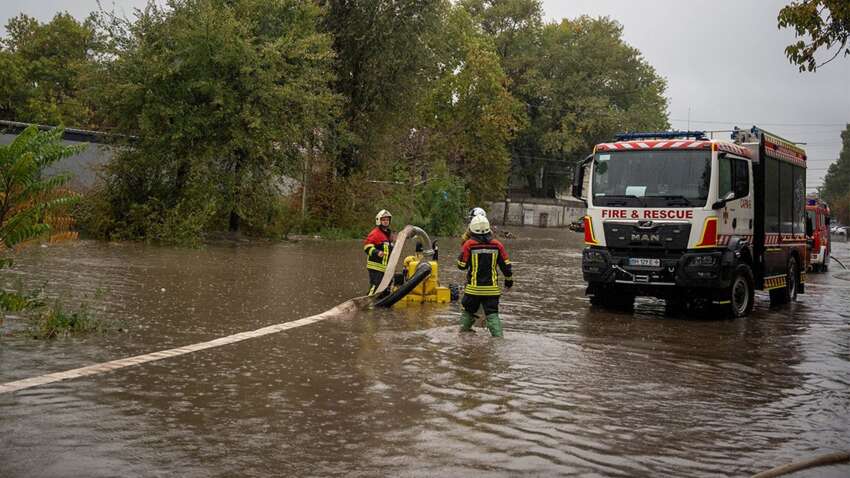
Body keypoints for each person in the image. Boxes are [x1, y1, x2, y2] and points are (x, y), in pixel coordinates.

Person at [456, 215, 513, 337]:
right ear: (488, 229)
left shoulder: (469, 244)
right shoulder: (497, 245)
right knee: (492, 314)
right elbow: (506, 267)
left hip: (473, 290)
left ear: (471, 229)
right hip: (491, 290)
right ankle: (499, 339)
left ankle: (461, 336)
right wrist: (509, 281)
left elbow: (461, 265)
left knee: (468, 312)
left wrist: (462, 251)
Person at [364, 209, 394, 296]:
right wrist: (377, 252)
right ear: (379, 220)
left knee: (387, 289)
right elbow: (367, 247)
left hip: (386, 268)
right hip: (376, 267)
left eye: (387, 220)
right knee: (375, 287)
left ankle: (382, 308)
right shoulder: (375, 233)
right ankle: (369, 305)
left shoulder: (389, 234)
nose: (386, 222)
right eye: (383, 220)